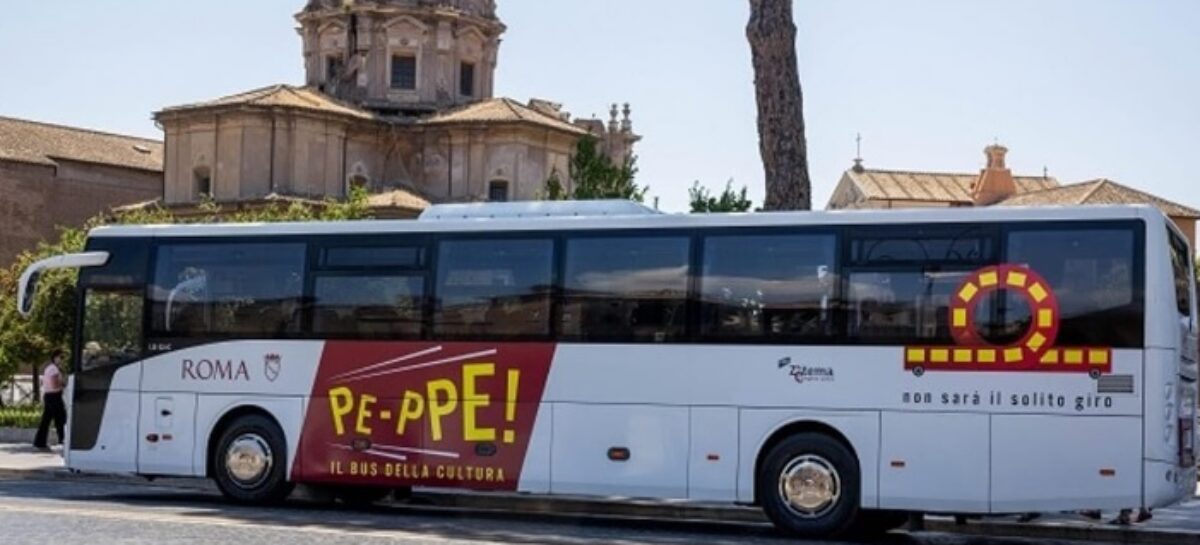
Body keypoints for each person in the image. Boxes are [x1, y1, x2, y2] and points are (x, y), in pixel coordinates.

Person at [32, 350, 66, 451]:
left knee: (46, 420)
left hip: (49, 396)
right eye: (61, 357)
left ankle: (39, 442)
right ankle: (63, 440)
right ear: (55, 357)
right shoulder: (54, 370)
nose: (61, 360)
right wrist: (64, 384)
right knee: (61, 419)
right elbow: (54, 384)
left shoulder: (49, 368)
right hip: (55, 396)